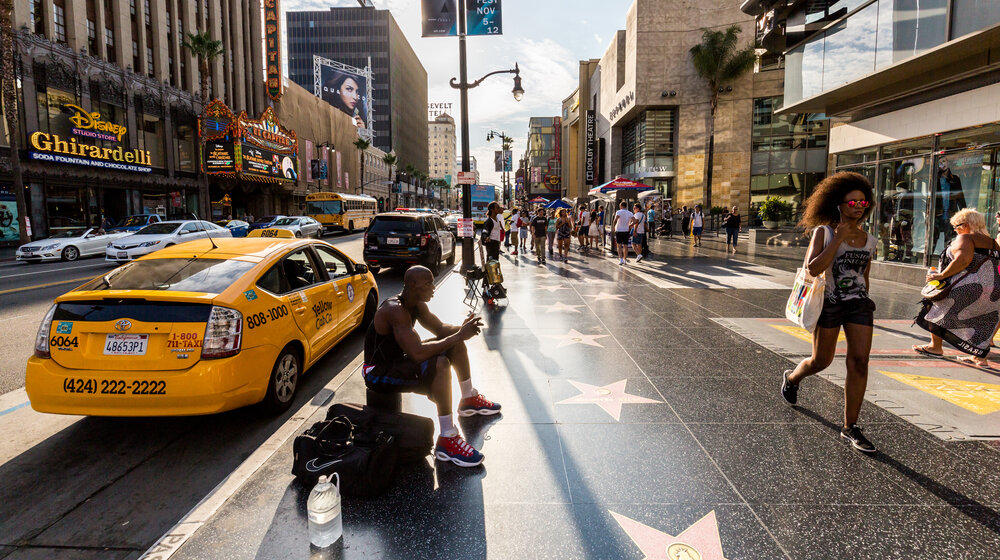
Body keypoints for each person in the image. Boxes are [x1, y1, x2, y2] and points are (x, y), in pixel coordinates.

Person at [780, 172, 878, 453]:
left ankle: (850, 427)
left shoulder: (870, 240)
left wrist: (866, 299)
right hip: (830, 303)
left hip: (858, 304)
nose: (858, 207)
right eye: (852, 203)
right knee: (821, 361)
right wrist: (838, 239)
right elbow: (813, 268)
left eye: (863, 203)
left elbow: (864, 275)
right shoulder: (824, 232)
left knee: (859, 362)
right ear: (838, 204)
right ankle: (792, 378)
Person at [363, 266, 500, 467]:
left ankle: (469, 398)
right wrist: (459, 335)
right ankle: (447, 439)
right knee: (440, 364)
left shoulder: (417, 304)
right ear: (411, 285)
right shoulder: (395, 310)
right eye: (428, 283)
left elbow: (441, 329)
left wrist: (462, 329)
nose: (433, 287)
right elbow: (417, 353)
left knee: (455, 343)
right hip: (377, 373)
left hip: (399, 360)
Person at [913, 209, 1000, 368]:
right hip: (993, 291)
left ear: (966, 225)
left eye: (957, 226)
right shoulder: (994, 243)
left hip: (969, 287)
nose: (955, 230)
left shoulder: (965, 238)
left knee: (934, 305)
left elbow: (962, 260)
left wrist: (941, 275)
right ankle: (980, 358)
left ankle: (935, 347)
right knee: (984, 321)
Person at [613, 201, 634, 265]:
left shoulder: (618, 212)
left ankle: (621, 259)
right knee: (625, 246)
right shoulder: (630, 213)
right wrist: (630, 225)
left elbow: (615, 220)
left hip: (619, 230)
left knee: (619, 245)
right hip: (626, 230)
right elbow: (635, 221)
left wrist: (613, 227)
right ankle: (625, 259)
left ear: (621, 206)